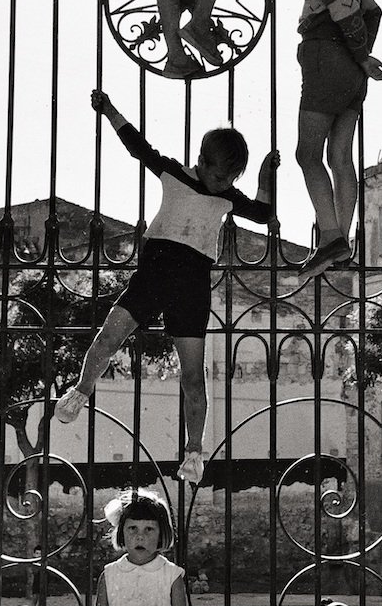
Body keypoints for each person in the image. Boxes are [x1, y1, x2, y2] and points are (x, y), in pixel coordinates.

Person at [55, 90, 279, 484]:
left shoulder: (227, 196)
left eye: (229, 180)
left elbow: (262, 212)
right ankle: (80, 390)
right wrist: (110, 109)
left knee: (193, 377)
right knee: (107, 339)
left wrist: (265, 171)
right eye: (217, 175)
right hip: (153, 276)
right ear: (201, 162)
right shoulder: (175, 174)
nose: (221, 184)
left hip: (192, 287)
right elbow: (138, 146)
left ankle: (194, 454)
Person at [269, 0, 382, 278]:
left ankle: (330, 238)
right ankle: (341, 244)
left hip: (327, 62)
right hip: (351, 76)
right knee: (340, 158)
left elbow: (343, 13)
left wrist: (357, 56)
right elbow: (372, 11)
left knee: (307, 155)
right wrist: (361, 58)